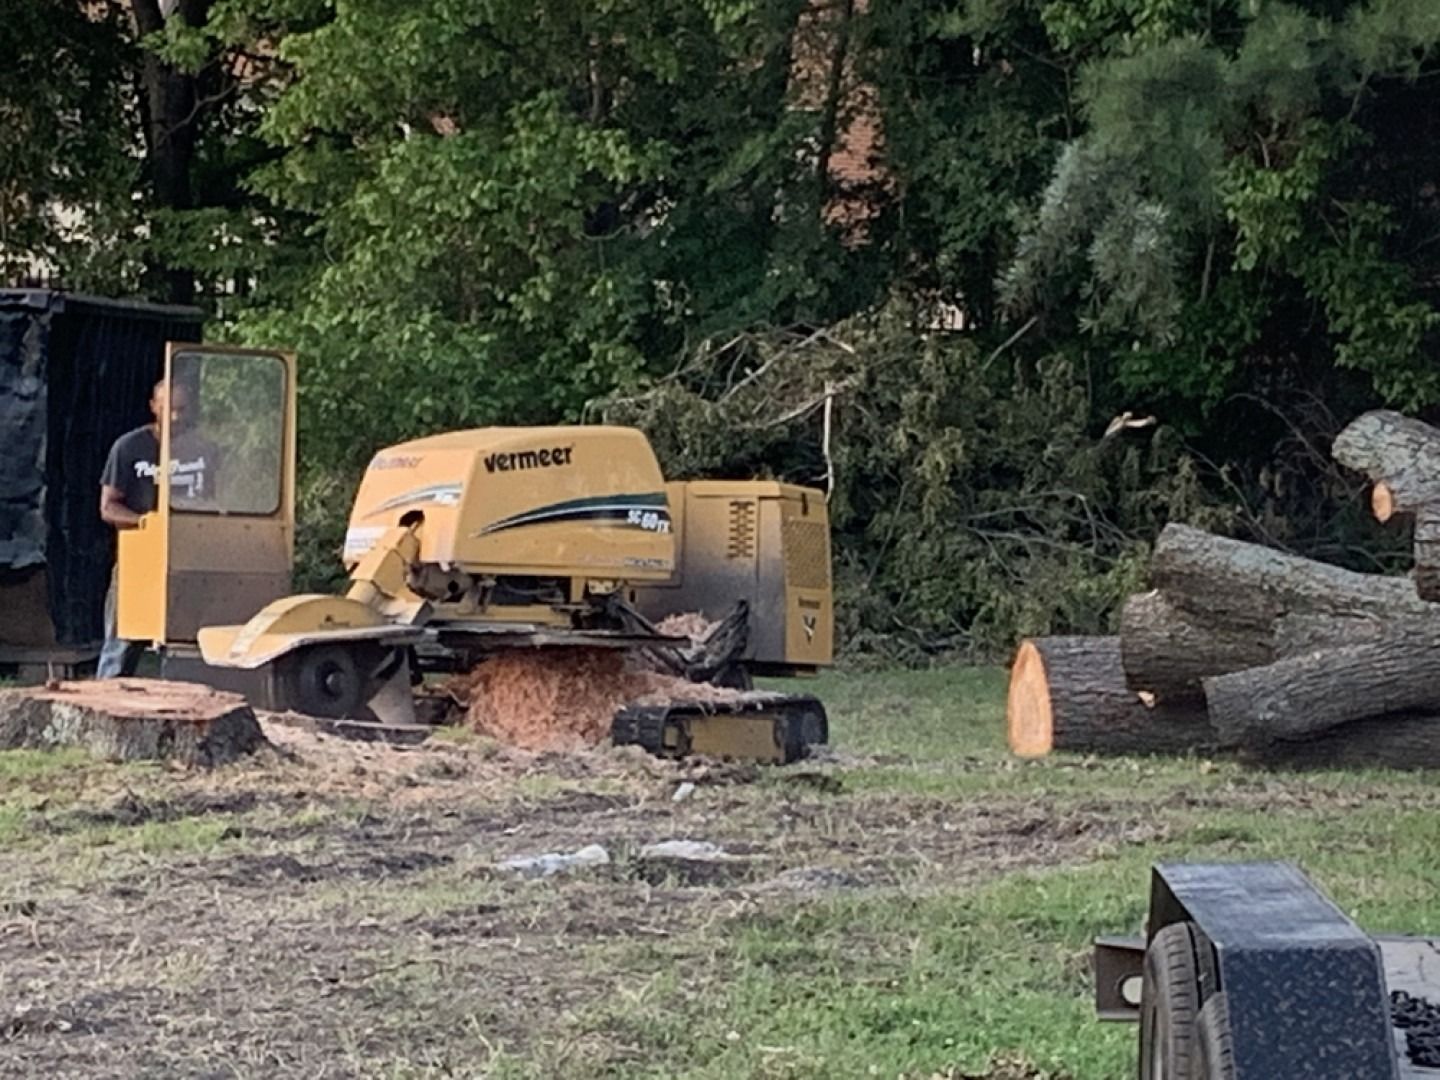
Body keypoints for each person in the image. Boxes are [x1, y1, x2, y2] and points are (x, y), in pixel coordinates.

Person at [96, 379, 218, 677]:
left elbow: (213, 501)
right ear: (153, 407)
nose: (175, 417)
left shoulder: (203, 449)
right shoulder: (129, 447)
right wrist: (145, 522)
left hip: (191, 560)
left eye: (182, 410)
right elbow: (108, 506)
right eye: (168, 409)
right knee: (122, 643)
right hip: (139, 560)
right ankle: (106, 704)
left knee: (186, 641)